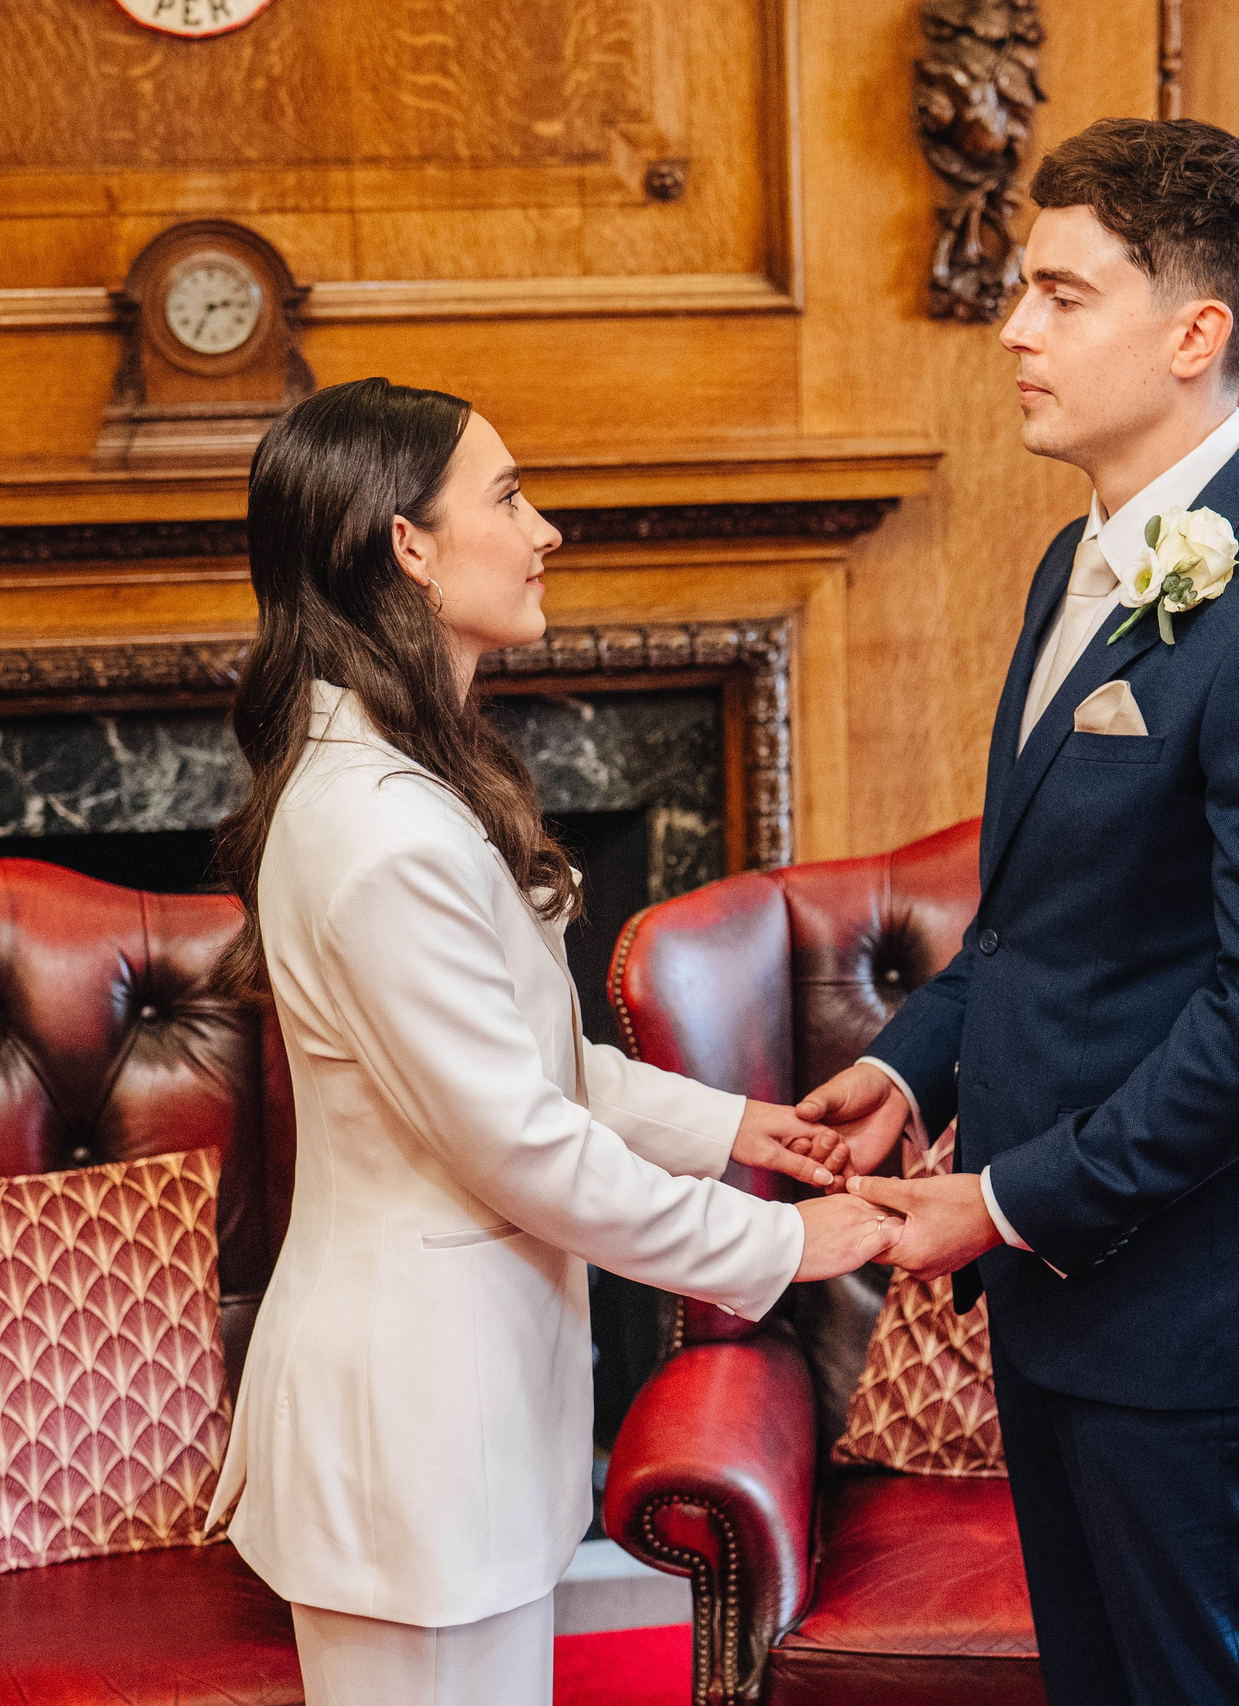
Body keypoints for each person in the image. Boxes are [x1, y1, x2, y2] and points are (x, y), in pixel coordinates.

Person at [801, 119, 1239, 1705]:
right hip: (1068, 1290)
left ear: (1195, 333)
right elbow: (1038, 919)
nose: (1015, 330)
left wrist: (1003, 1201)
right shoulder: (1071, 563)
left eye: (1063, 296)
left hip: (1192, 1301)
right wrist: (910, 1063)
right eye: (1025, 290)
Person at [204, 377, 903, 1705]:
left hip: (466, 1417)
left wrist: (733, 1129)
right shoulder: (381, 834)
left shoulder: (407, 782)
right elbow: (520, 1146)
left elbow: (511, 1064)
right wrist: (784, 1242)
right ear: (404, 543)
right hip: (409, 1432)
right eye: (510, 496)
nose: (548, 531)